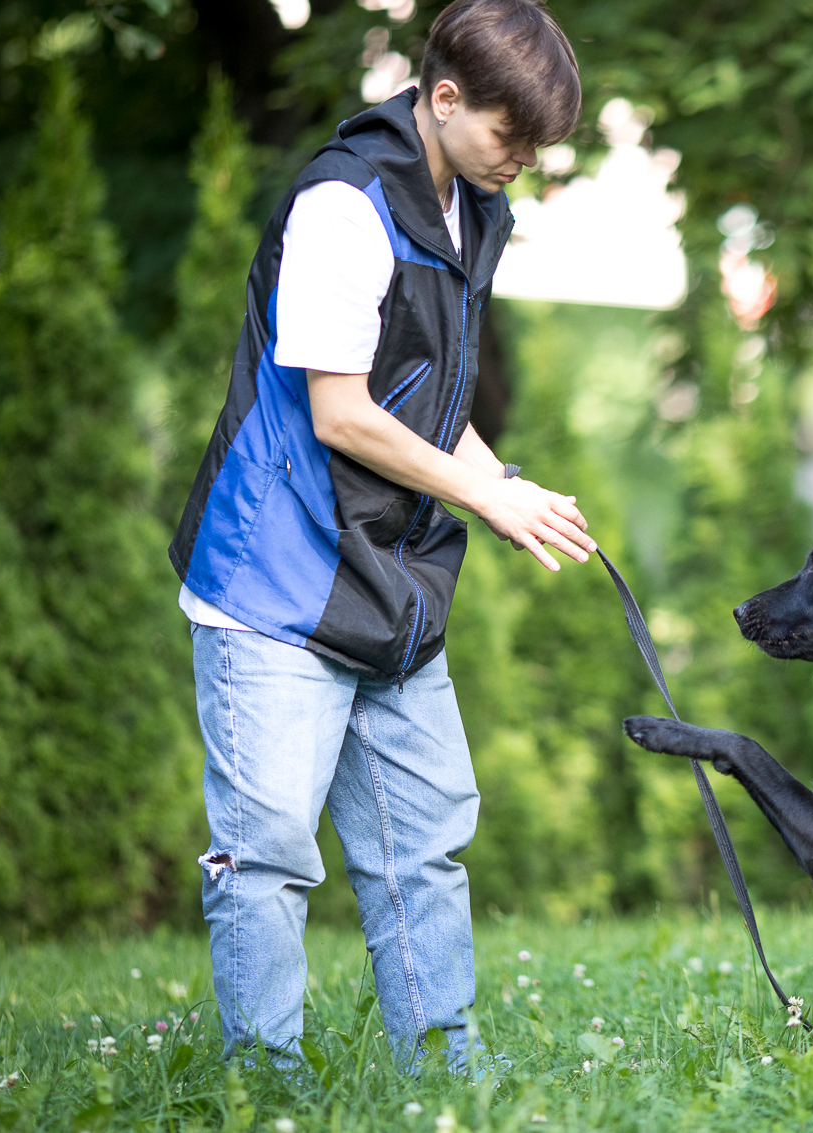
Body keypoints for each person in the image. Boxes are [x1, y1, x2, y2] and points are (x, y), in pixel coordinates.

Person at [168, 0, 595, 1072]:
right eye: (512, 136)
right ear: (442, 100)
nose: (524, 161)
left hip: (387, 578)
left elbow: (426, 386)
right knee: (266, 858)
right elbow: (343, 410)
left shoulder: (469, 206)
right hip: (277, 575)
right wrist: (481, 498)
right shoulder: (343, 208)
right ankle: (263, 1088)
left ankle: (447, 1074)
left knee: (427, 841)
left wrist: (506, 483)